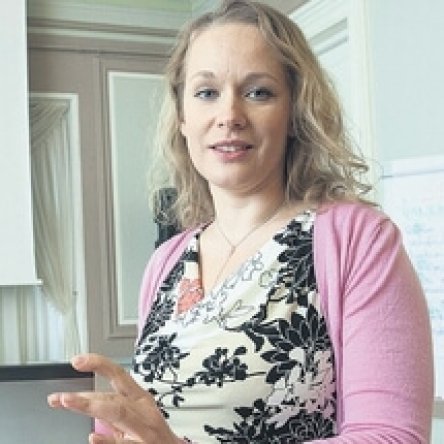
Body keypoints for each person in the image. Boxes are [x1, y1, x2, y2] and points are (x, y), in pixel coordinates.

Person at [47, 0, 434, 442]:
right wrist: (118, 423)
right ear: (183, 118)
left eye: (258, 92)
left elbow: (393, 437)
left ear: (294, 113)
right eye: (207, 93)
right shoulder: (166, 262)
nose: (229, 116)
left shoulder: (357, 240)